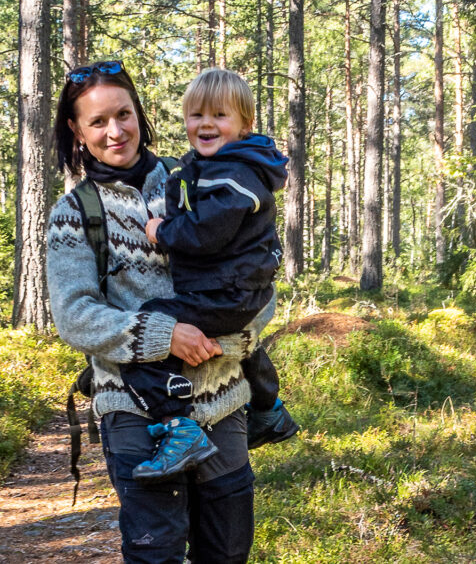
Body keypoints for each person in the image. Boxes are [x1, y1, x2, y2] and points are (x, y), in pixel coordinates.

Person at [47, 60, 271, 563]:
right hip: (133, 410)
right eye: (98, 122)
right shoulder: (73, 213)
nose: (115, 131)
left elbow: (257, 274)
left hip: (222, 399)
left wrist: (233, 337)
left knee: (227, 553)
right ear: (76, 130)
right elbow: (74, 313)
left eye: (123, 114)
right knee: (157, 555)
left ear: (139, 114)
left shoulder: (200, 176)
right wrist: (163, 336)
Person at [124, 68, 299, 482]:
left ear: (244, 125)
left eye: (220, 115)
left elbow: (205, 234)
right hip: (235, 291)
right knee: (238, 341)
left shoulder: (233, 175)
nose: (205, 123)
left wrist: (161, 231)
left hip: (222, 292)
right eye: (196, 114)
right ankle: (269, 410)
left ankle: (178, 426)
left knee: (147, 330)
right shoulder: (221, 166)